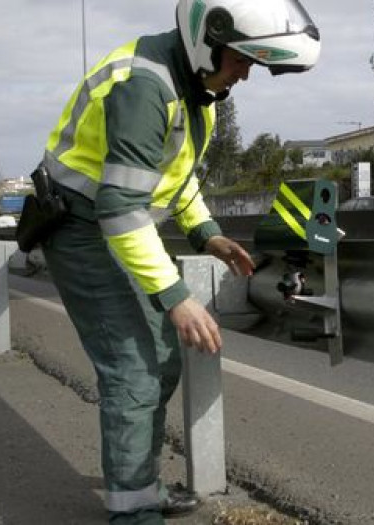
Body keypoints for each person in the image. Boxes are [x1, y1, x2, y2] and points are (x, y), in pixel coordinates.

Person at [35, 1, 320, 522]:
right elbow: (119, 208)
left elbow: (176, 177)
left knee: (162, 356)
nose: (246, 74)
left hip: (116, 226)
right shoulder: (146, 87)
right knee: (134, 369)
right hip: (81, 228)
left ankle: (139, 486)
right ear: (207, 40)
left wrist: (206, 234)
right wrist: (176, 297)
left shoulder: (197, 89)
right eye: (241, 61)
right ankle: (131, 509)